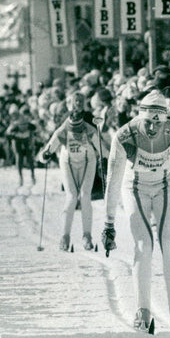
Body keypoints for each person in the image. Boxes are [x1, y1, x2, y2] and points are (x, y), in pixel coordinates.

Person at [101, 91, 170, 333]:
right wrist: (108, 222)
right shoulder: (125, 134)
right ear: (139, 118)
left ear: (165, 120)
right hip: (135, 186)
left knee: (168, 241)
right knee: (144, 244)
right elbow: (114, 179)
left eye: (157, 122)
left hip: (166, 184)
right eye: (148, 122)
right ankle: (142, 309)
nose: (152, 128)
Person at [37, 91, 101, 251]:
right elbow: (56, 135)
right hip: (68, 160)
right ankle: (64, 237)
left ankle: (87, 236)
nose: (78, 103)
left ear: (85, 102)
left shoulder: (89, 117)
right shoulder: (66, 118)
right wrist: (47, 152)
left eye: (81, 100)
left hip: (87, 160)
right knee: (72, 197)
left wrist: (106, 155)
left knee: (85, 196)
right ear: (70, 103)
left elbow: (98, 138)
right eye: (75, 101)